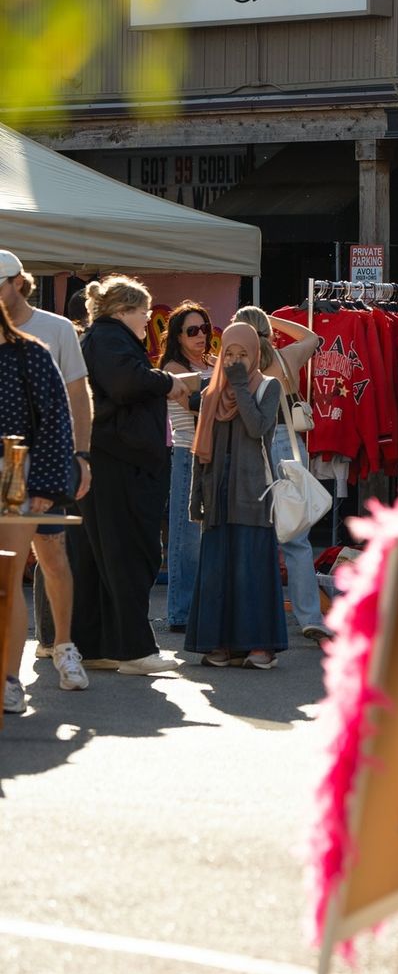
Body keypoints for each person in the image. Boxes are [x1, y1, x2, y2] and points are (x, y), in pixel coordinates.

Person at [72, 276, 187, 677]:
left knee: (98, 558)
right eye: (142, 311)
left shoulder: (101, 338)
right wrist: (169, 381)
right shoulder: (109, 339)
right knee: (129, 556)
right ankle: (135, 650)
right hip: (119, 462)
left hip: (108, 459)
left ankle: (97, 646)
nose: (147, 320)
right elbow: (126, 384)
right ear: (123, 311)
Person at [0, 251, 91, 691]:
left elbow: (74, 398)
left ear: (18, 282)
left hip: (34, 467)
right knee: (11, 570)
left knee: (49, 558)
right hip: (18, 469)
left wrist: (80, 457)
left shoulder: (51, 333)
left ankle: (63, 645)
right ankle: (12, 673)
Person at [187, 323, 287, 670]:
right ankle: (221, 644)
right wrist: (196, 496)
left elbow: (257, 427)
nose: (234, 361)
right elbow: (201, 452)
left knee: (251, 569)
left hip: (254, 494)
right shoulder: (211, 390)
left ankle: (260, 646)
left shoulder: (268, 386)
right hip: (218, 493)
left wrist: (241, 386)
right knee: (218, 570)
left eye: (242, 354)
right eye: (228, 354)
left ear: (255, 354)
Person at [230, 305, 331, 644]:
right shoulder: (288, 357)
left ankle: (255, 615)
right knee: (296, 538)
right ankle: (309, 617)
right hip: (289, 446)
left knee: (253, 534)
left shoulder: (239, 363)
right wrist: (270, 320)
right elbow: (313, 337)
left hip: (251, 447)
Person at [158, 302, 216, 633]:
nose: (200, 336)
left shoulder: (213, 363)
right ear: (178, 336)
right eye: (192, 330)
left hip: (217, 452)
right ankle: (180, 612)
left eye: (204, 328)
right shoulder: (173, 367)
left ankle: (200, 607)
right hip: (187, 452)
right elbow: (195, 406)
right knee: (185, 534)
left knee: (209, 533)